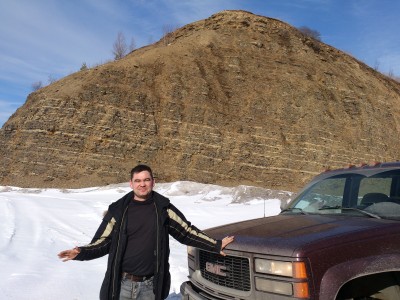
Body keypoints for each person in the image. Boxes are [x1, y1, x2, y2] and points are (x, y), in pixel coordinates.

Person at [58, 164, 234, 300]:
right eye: (138, 180)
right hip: (122, 285)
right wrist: (81, 252)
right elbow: (103, 242)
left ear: (153, 182)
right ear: (131, 183)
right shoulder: (118, 211)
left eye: (146, 180)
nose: (142, 184)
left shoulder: (163, 209)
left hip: (151, 286)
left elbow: (186, 232)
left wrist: (216, 244)